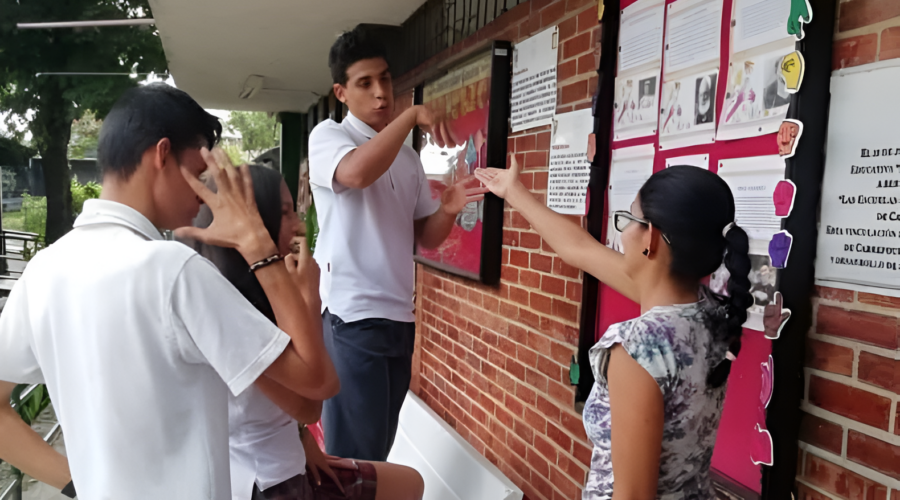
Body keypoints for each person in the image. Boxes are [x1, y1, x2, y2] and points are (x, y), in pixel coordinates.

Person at [0, 83, 339, 499]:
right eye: (198, 176)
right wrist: (258, 246)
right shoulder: (174, 271)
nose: (202, 197)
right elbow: (316, 383)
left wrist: (77, 483)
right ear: (162, 154)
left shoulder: (42, 272)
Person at [475, 160, 753, 499]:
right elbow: (579, 249)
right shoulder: (710, 314)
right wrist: (514, 192)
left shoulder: (638, 350)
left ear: (650, 237)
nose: (622, 232)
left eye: (628, 219)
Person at [184, 164, 424, 500]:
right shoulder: (234, 315)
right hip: (265, 482)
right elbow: (313, 402)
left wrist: (303, 438)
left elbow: (300, 408)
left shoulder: (259, 295)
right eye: (285, 214)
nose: (298, 226)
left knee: (408, 482)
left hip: (288, 457)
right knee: (404, 484)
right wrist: (309, 299)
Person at [309, 27, 487, 461]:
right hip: (351, 316)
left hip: (398, 317)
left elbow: (423, 238)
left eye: (385, 79)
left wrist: (447, 209)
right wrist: (410, 118)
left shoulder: (406, 158)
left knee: (377, 452)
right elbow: (353, 175)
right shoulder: (329, 138)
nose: (381, 93)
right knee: (355, 457)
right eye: (365, 83)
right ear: (341, 92)